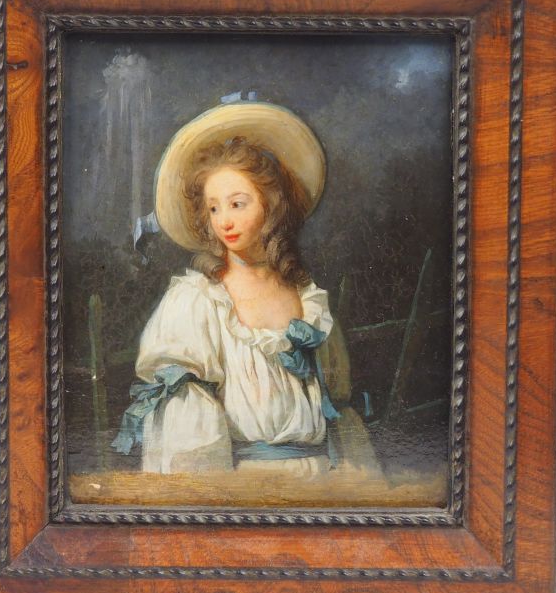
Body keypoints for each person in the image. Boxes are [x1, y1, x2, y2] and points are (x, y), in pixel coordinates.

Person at [112, 99, 378, 476]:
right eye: (214, 208)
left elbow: (338, 407)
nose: (225, 221)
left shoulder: (307, 297)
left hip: (322, 478)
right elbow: (190, 439)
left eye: (237, 204)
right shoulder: (198, 301)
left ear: (271, 205)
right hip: (246, 484)